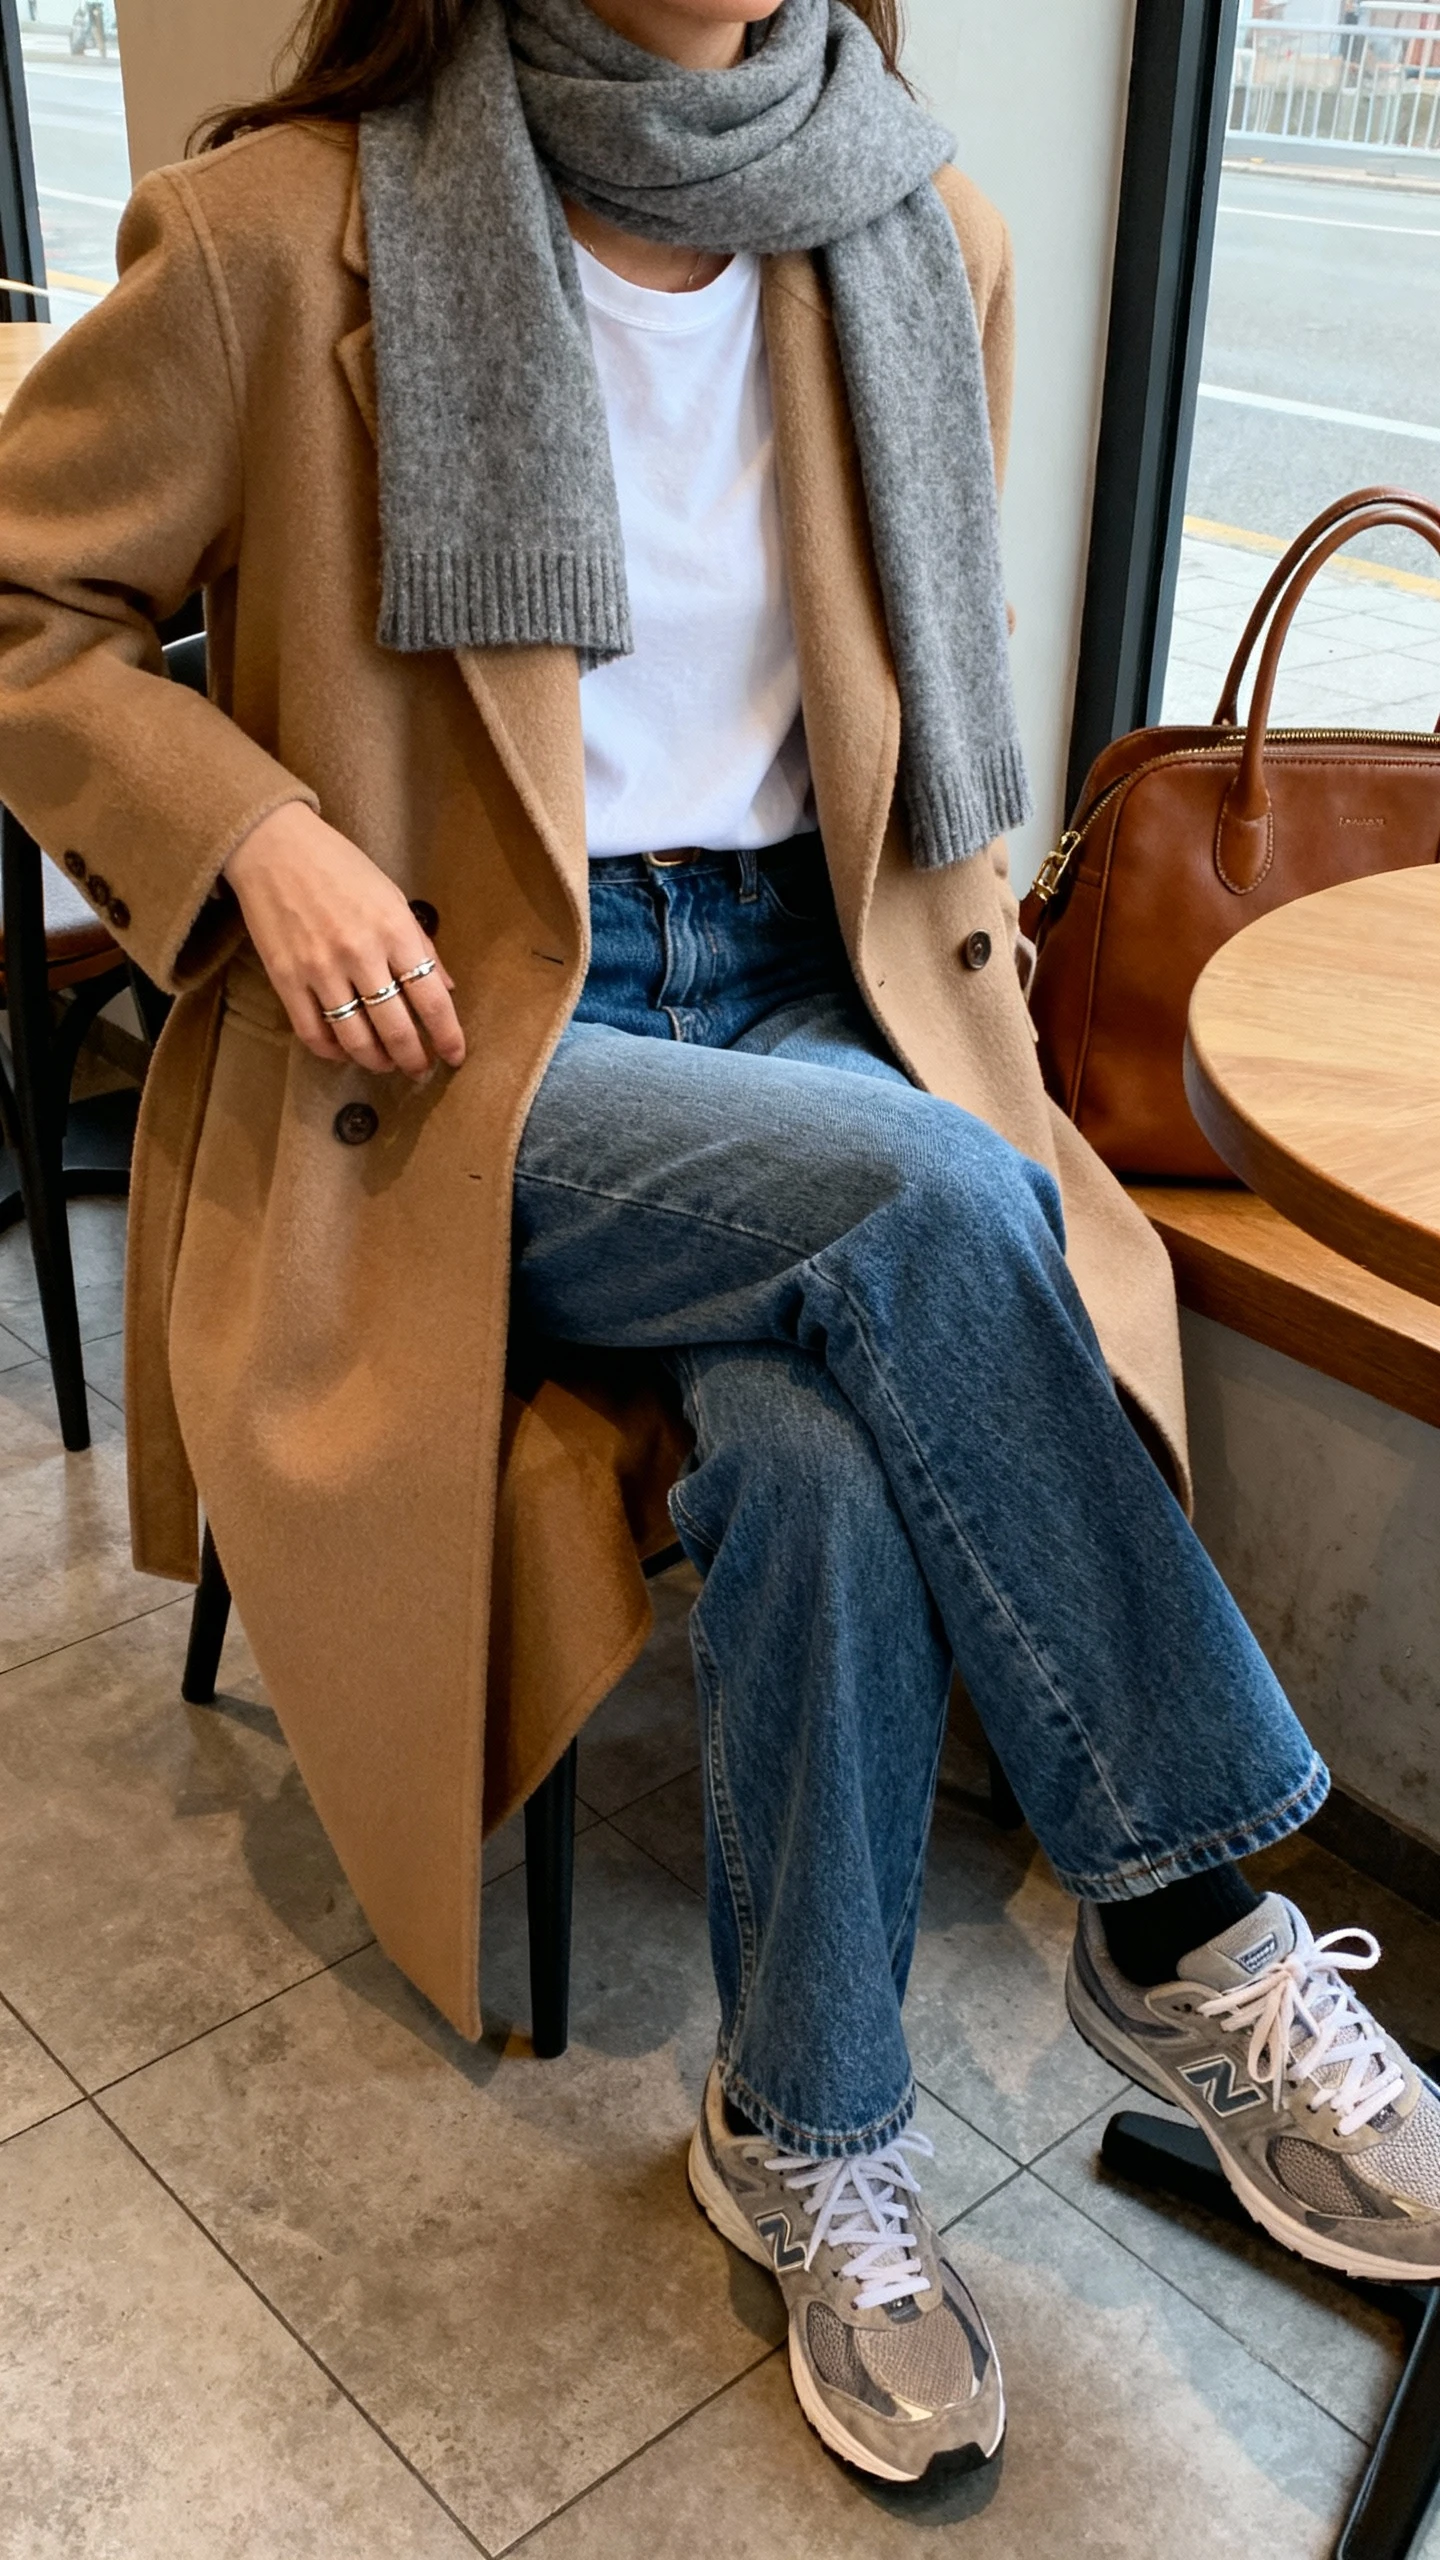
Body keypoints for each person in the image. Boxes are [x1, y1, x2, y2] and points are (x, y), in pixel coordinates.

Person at [0, 0, 1435, 2491]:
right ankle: (1195, 1919)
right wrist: (249, 828)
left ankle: (805, 2133)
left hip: (817, 983)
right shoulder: (280, 232)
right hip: (472, 1044)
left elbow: (907, 735)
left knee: (827, 1446)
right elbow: (26, 609)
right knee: (937, 1198)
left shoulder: (912, 222)